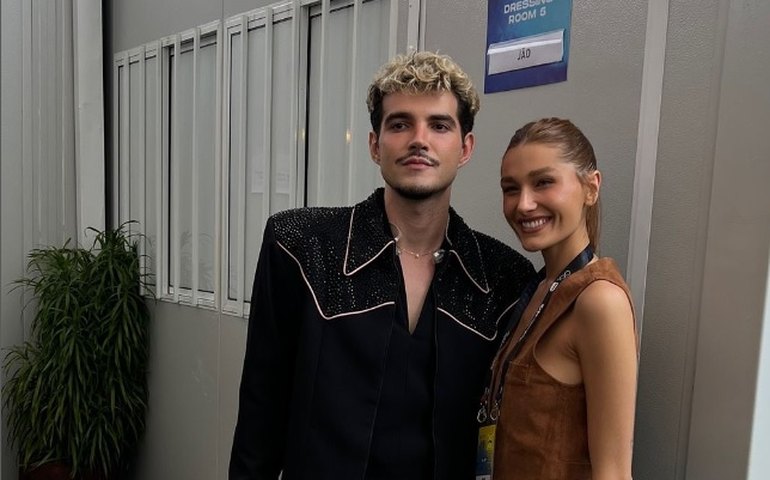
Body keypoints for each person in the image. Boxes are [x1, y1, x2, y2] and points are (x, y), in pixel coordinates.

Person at [228, 51, 534, 480]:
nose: (419, 139)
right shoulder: (300, 247)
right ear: (375, 144)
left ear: (465, 148)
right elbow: (261, 411)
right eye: (400, 123)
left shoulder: (501, 279)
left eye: (439, 125)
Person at [483, 118, 638, 479]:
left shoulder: (600, 301)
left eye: (543, 182)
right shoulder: (537, 288)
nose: (524, 204)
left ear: (591, 187)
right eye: (510, 188)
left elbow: (613, 472)